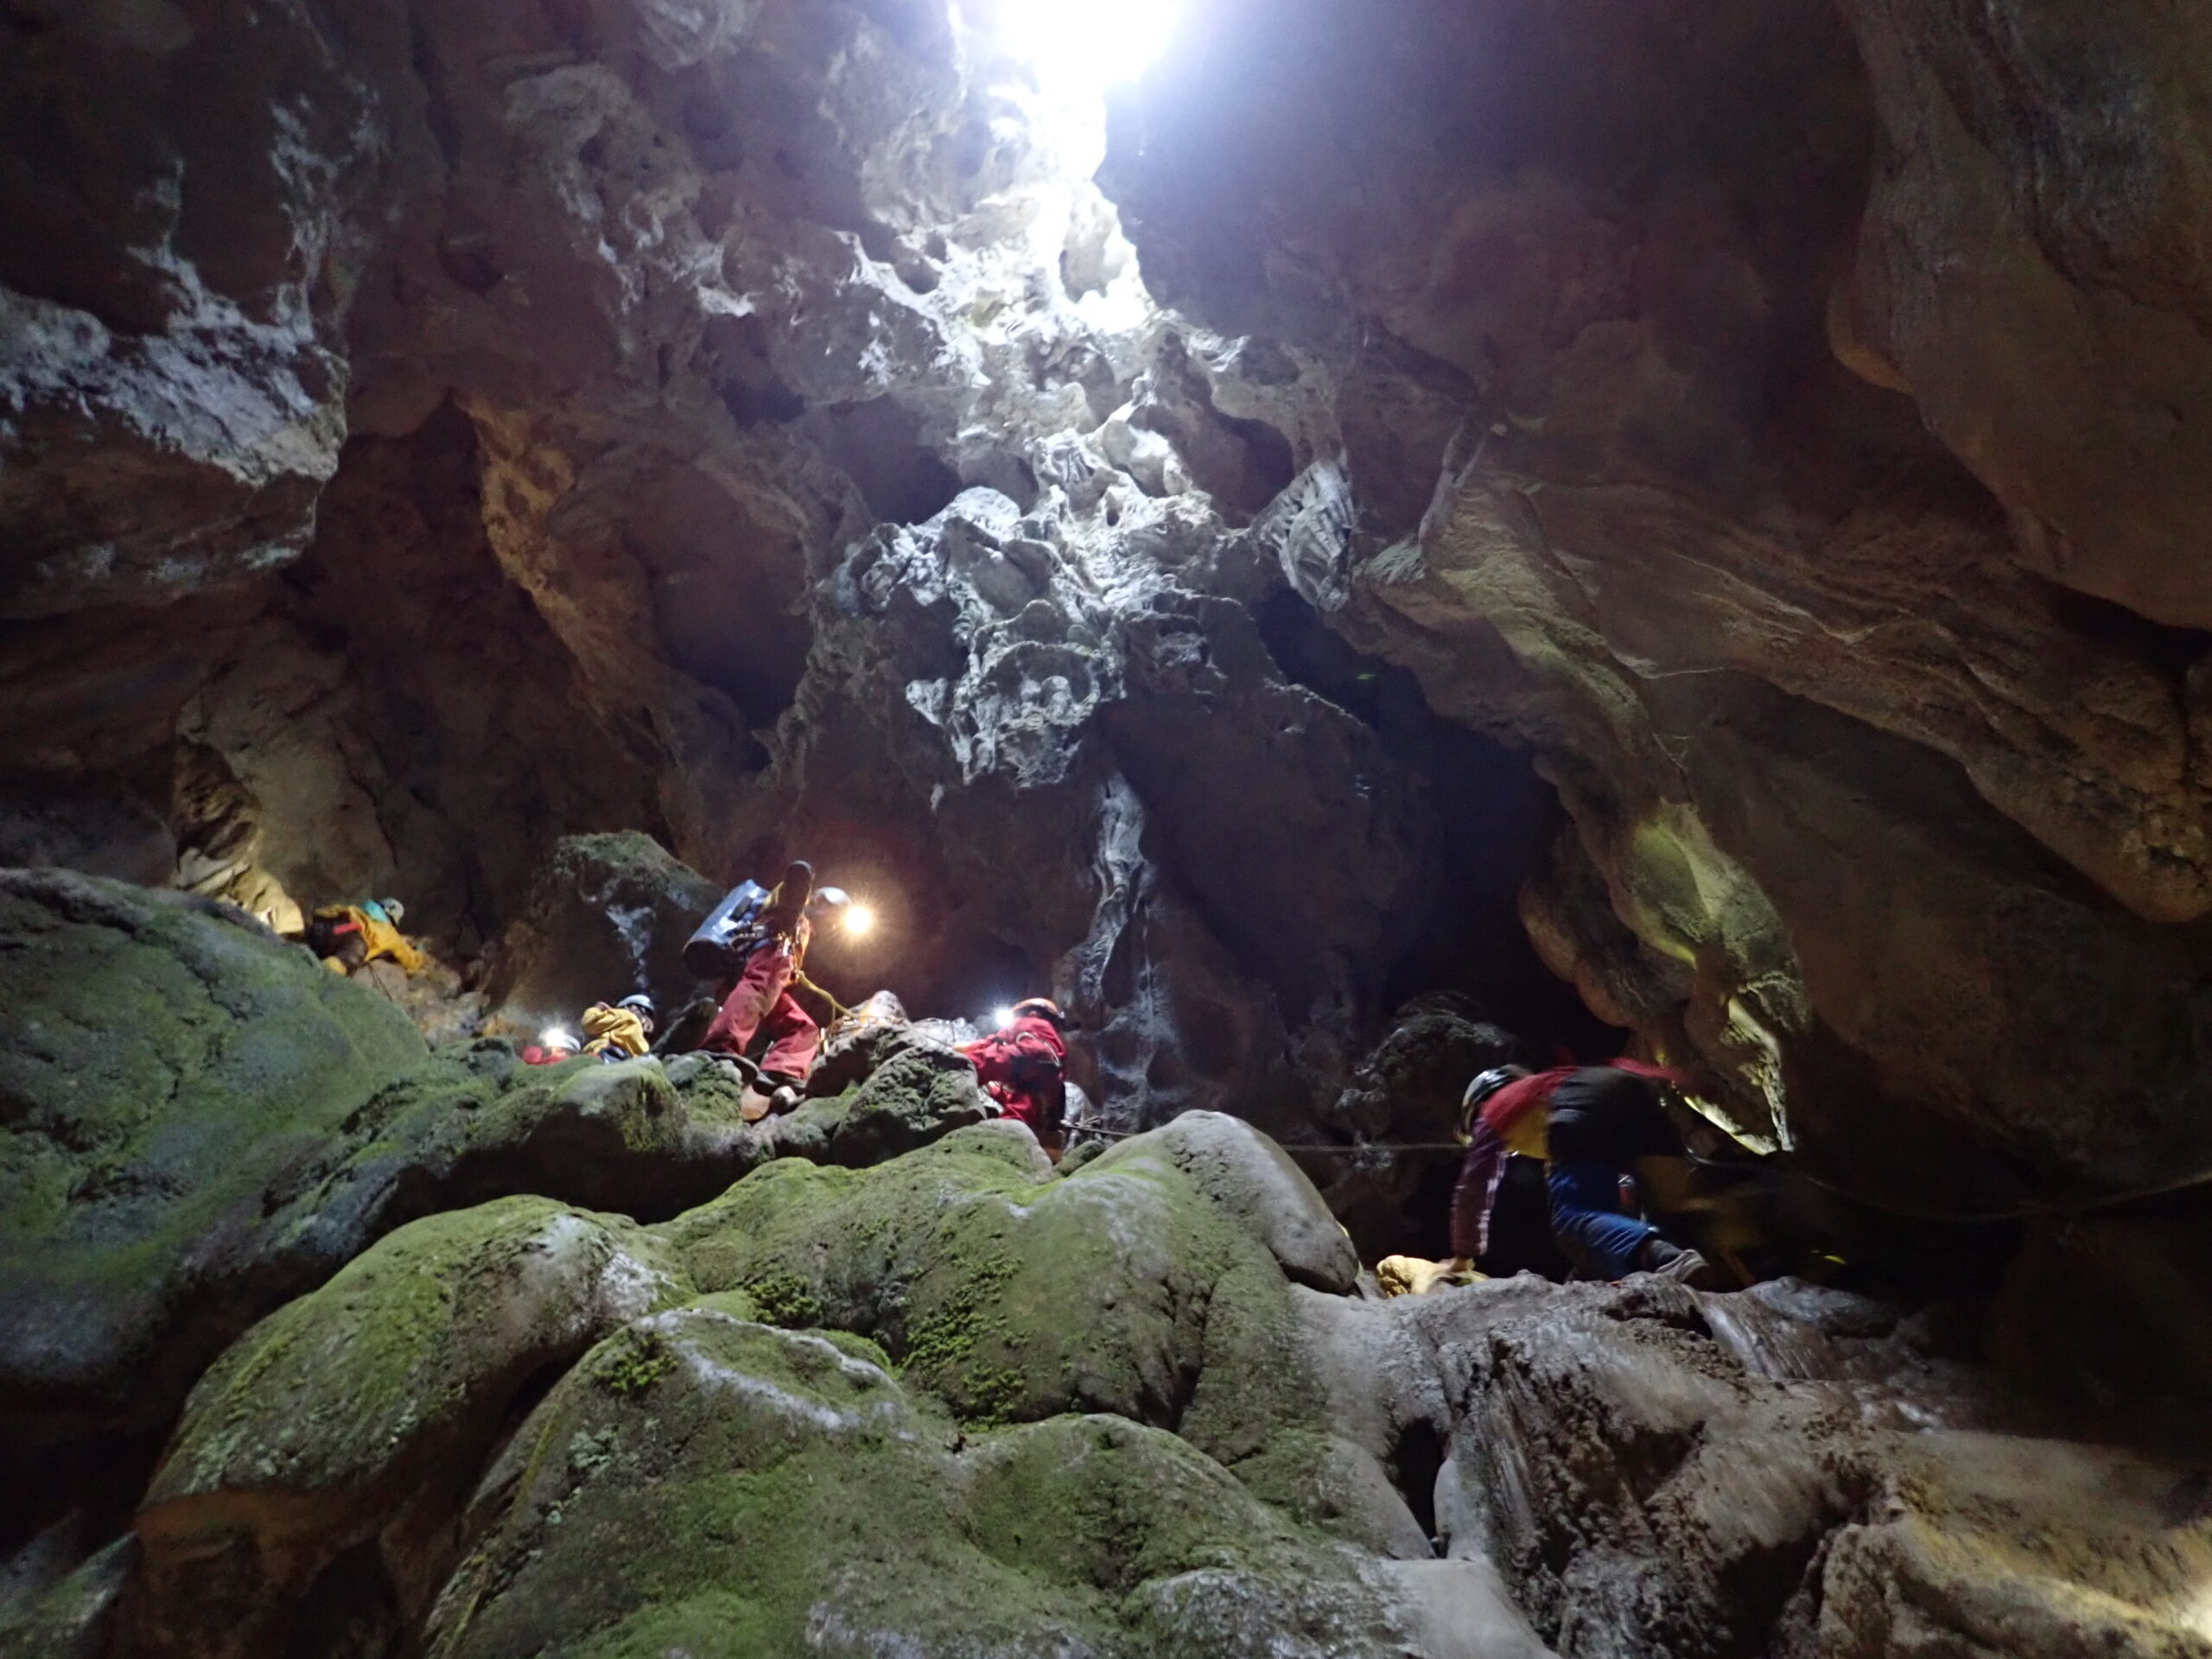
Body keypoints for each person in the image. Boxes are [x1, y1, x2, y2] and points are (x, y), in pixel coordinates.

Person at [1447, 1059, 1719, 1287]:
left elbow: (1474, 1185)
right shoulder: (1553, 1080)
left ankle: (1669, 1260)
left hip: (1581, 1114)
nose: (1514, 1152)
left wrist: (1463, 1254)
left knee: (1572, 1218)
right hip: (1639, 1100)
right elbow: (1619, 1069)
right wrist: (1680, 1077)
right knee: (1670, 1210)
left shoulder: (1493, 1110)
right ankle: (1719, 1262)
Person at [694, 861, 848, 1122]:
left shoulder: (804, 925)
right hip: (770, 955)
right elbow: (793, 887)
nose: (832, 928)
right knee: (756, 993)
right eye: (834, 918)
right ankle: (720, 1047)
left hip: (771, 969)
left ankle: (780, 1070)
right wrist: (802, 880)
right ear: (824, 903)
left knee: (803, 1028)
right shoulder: (794, 912)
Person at [962, 998, 1071, 1154]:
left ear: (1033, 1012)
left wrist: (965, 1053)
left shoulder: (1031, 1022)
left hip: (1029, 1054)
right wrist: (994, 1091)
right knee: (1019, 1115)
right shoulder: (1054, 1040)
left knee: (976, 1064)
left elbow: (996, 1044)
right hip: (1049, 1077)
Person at [308, 898, 426, 977]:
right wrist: (420, 952)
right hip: (353, 940)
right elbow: (411, 961)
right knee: (343, 962)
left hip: (327, 928)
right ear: (394, 920)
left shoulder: (356, 909)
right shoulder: (390, 933)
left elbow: (320, 913)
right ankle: (315, 975)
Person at [582, 994, 656, 1060]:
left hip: (601, 1060)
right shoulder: (641, 1041)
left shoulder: (626, 1015)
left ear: (632, 1007)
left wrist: (596, 1009)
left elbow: (589, 1023)